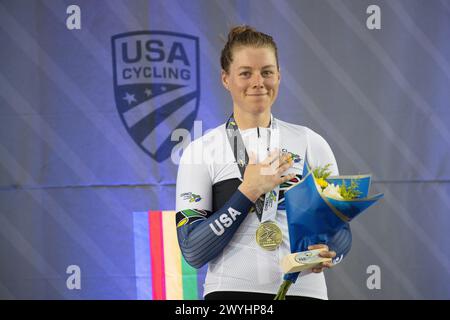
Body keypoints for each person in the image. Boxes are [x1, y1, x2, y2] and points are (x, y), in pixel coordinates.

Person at [175, 25, 352, 300]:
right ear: (225, 79)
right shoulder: (201, 151)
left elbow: (341, 233)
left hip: (305, 292)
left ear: (279, 76)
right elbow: (193, 251)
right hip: (231, 295)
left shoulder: (310, 143)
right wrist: (248, 191)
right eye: (246, 73)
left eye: (267, 72)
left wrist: (330, 251)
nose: (258, 82)